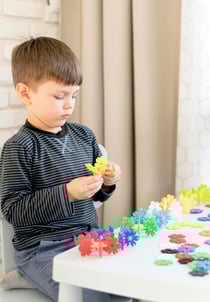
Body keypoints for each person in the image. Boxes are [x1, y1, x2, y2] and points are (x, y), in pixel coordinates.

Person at [0, 36, 122, 302]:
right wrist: (66, 192)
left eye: (74, 95)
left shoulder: (84, 136)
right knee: (89, 296)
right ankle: (26, 273)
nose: (69, 104)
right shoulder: (19, 147)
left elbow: (97, 197)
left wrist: (108, 183)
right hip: (42, 248)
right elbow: (13, 212)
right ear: (24, 93)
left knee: (126, 283)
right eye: (59, 96)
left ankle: (30, 278)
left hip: (87, 238)